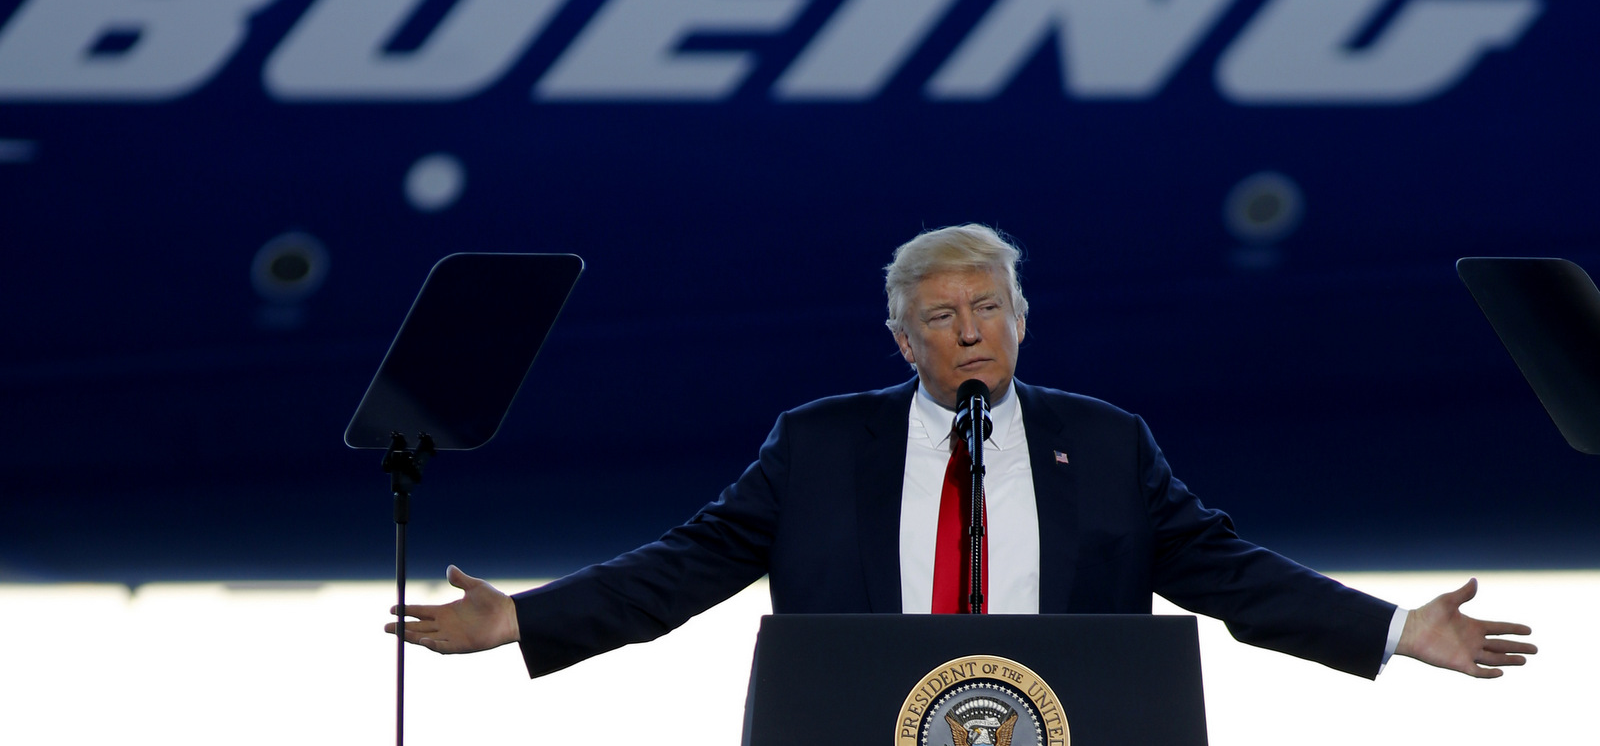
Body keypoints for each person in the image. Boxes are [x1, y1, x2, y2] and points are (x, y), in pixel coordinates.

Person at [387, 224, 1535, 681]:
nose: (970, 327)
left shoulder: (1104, 440)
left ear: (1023, 320)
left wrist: (1395, 628)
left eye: (988, 306)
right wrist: (522, 619)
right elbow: (684, 567)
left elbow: (1229, 573)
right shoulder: (822, 442)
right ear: (902, 337)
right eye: (940, 314)